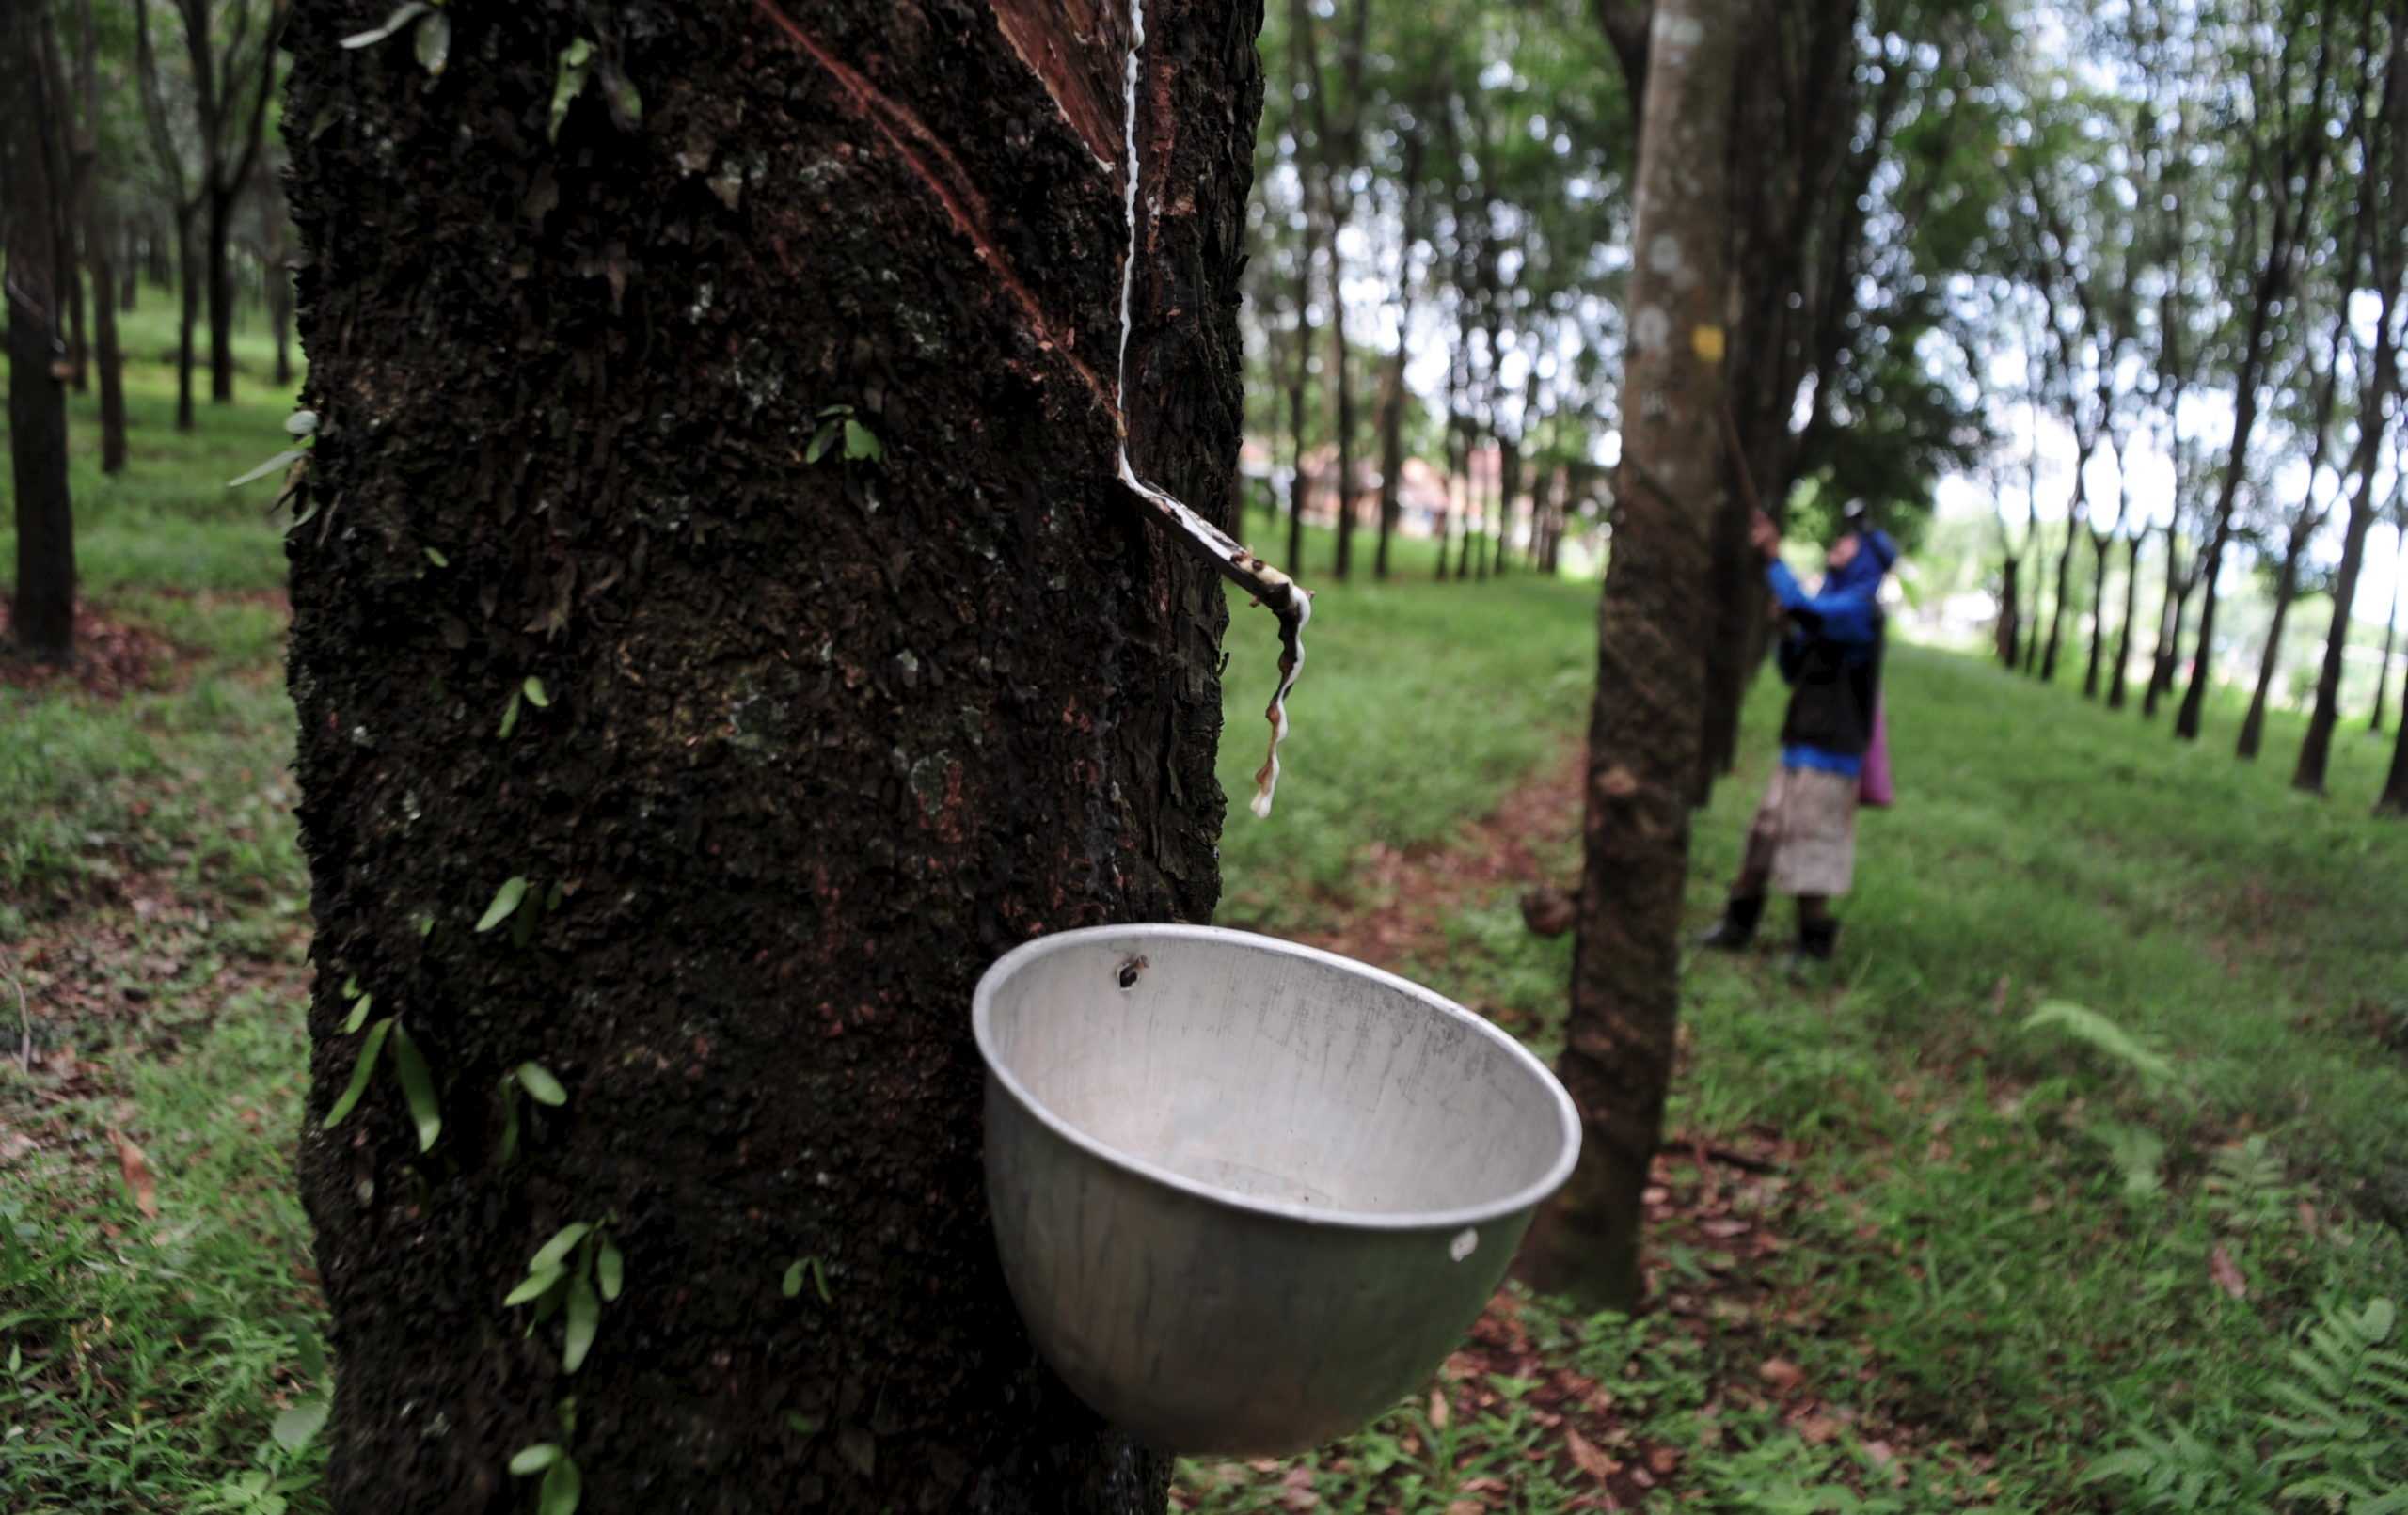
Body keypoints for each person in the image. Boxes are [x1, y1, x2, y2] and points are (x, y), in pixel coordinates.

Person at [1699, 501, 1898, 966]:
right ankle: (1738, 925)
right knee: (1765, 835)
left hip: (1832, 753)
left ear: (1868, 560)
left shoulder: (1861, 612)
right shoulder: (1829, 607)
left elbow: (1807, 608)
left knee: (1813, 844)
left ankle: (1813, 945)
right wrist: (1786, 631)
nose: (1839, 544)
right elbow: (1794, 669)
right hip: (1799, 745)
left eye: (1850, 542)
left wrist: (1774, 558)